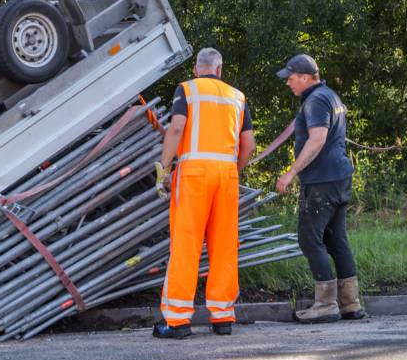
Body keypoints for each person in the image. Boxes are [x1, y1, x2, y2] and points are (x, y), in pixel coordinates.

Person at [152, 47, 256, 338]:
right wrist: (233, 168)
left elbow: (176, 129)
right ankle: (222, 318)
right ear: (220, 70)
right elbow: (248, 144)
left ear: (197, 70)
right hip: (226, 175)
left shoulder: (187, 90)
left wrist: (164, 168)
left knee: (186, 244)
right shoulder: (238, 97)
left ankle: (177, 321)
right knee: (224, 246)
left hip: (194, 173)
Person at [275, 54, 366, 323]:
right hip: (339, 177)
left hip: (321, 181)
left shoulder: (315, 101)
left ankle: (325, 305)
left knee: (309, 238)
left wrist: (291, 172)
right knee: (337, 239)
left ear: (305, 77)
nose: (288, 83)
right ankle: (350, 303)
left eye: (291, 78)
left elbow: (317, 140)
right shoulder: (331, 96)